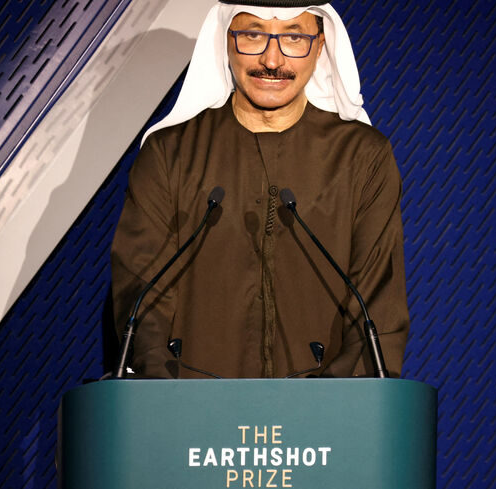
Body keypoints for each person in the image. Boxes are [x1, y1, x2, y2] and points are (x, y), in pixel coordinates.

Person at [110, 0, 409, 379]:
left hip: (324, 422)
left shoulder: (362, 156)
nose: (272, 60)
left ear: (319, 46)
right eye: (253, 35)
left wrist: (335, 407)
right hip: (191, 415)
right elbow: (140, 292)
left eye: (294, 37)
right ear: (225, 40)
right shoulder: (171, 153)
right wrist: (171, 398)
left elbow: (379, 304)